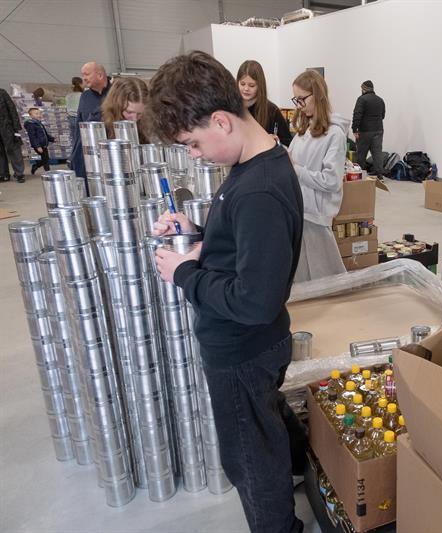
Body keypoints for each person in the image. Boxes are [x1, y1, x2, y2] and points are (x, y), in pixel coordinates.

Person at [144, 51, 305, 533]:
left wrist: (185, 274)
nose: (194, 155)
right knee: (264, 433)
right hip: (253, 344)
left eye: (193, 143)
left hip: (242, 349)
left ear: (221, 120)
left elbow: (254, 300)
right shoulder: (255, 165)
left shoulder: (257, 189)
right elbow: (246, 248)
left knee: (251, 462)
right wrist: (198, 235)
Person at [288, 70, 348, 282]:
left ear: (318, 95)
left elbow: (331, 181)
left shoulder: (335, 135)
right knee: (302, 275)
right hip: (300, 209)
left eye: (302, 99)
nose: (298, 105)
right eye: (295, 99)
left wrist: (295, 168)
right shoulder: (304, 130)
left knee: (326, 277)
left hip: (316, 214)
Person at [70, 61, 111, 193]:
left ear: (100, 75)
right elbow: (79, 127)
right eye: (83, 75)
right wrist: (74, 155)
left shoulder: (116, 93)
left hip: (112, 155)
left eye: (87, 74)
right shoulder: (85, 97)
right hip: (91, 156)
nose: (84, 78)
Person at [237, 60, 292, 146]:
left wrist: (275, 141)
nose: (246, 89)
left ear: (260, 86)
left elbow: (287, 142)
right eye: (242, 84)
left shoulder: (272, 110)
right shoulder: (231, 107)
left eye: (251, 85)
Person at [352, 80, 386, 177]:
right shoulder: (380, 100)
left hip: (365, 131)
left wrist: (355, 129)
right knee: (377, 153)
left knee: (361, 154)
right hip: (378, 130)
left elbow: (357, 115)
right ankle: (379, 175)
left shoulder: (361, 99)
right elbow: (383, 115)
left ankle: (359, 174)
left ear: (364, 89)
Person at [101, 76, 149, 142]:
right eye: (129, 112)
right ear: (116, 108)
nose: (134, 119)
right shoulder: (101, 125)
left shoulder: (150, 124)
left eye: (140, 114)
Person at [0, 88, 25, 183]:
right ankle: (3, 174)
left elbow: (12, 109)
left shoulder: (2, 93)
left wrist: (16, 126)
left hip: (7, 126)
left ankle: (19, 174)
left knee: (14, 149)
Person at [24, 108, 55, 175]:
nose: (39, 115)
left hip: (44, 144)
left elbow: (45, 134)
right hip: (38, 145)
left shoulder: (39, 124)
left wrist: (52, 139)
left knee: (45, 159)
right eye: (36, 114)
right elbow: (32, 137)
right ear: (31, 115)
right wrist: (37, 146)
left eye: (40, 113)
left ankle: (36, 165)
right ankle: (48, 172)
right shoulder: (31, 125)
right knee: (45, 159)